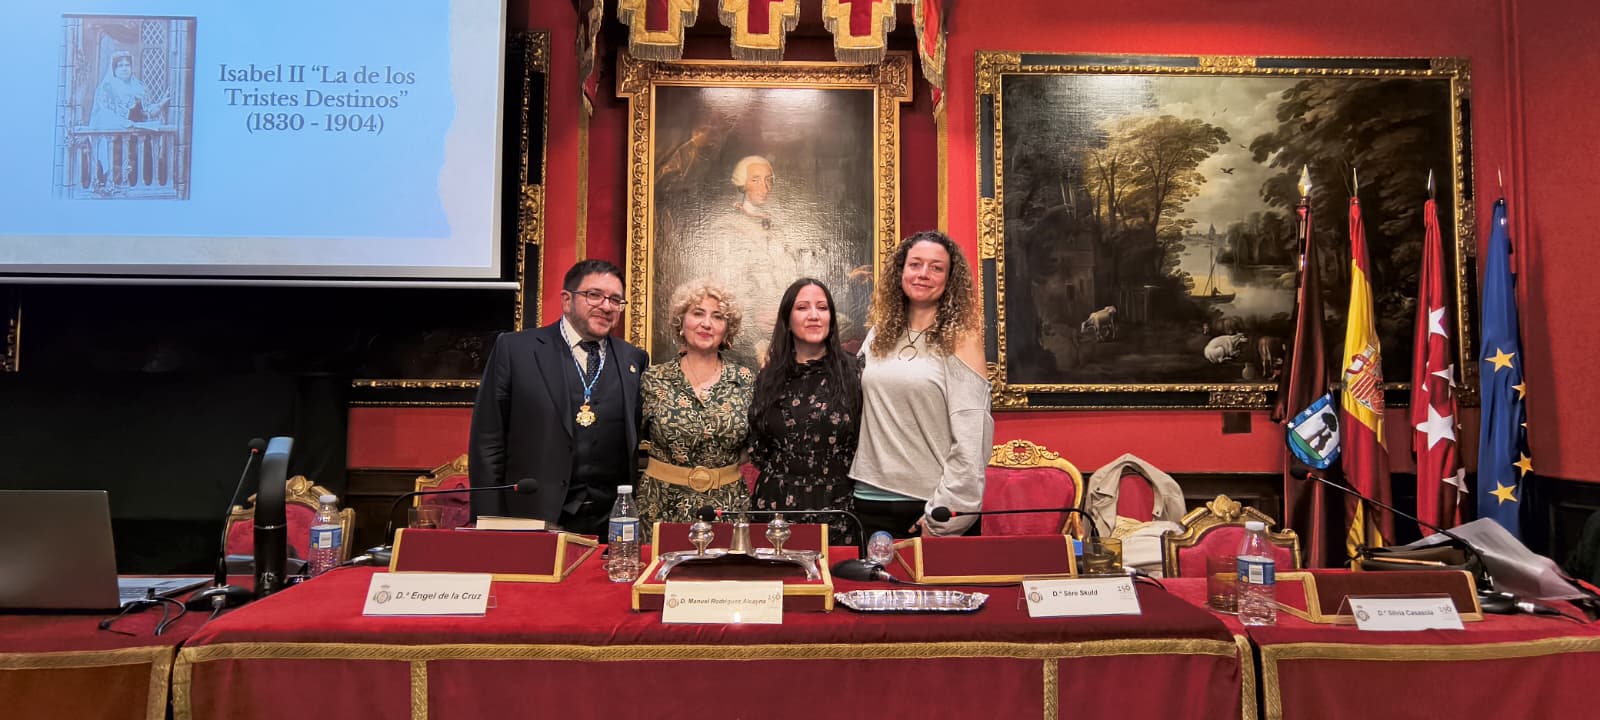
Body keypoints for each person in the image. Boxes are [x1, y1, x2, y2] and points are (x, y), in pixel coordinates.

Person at [469, 259, 649, 535]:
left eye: (616, 300)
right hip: (533, 516)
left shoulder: (633, 359)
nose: (606, 306)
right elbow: (488, 443)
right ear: (567, 300)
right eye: (594, 295)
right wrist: (490, 522)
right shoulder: (516, 350)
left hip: (609, 521)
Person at [850, 230, 994, 538]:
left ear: (949, 278)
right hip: (868, 500)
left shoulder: (962, 340)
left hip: (930, 506)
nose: (923, 274)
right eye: (915, 264)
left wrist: (945, 518)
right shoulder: (878, 335)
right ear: (901, 271)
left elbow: (973, 439)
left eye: (936, 267)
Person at [748, 279, 863, 546]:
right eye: (802, 307)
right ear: (787, 321)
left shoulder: (856, 373)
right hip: (775, 506)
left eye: (822, 308)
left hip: (839, 507)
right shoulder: (767, 378)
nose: (813, 315)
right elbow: (757, 446)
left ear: (831, 319)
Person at [637, 283, 756, 532]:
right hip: (660, 505)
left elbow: (753, 445)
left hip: (727, 506)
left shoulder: (746, 380)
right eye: (698, 313)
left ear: (727, 330)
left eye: (717, 316)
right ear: (681, 322)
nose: (706, 323)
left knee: (725, 571)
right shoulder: (652, 378)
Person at [88, 51, 168, 195]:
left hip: (138, 139)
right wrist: (125, 123)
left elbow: (146, 113)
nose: (125, 68)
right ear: (114, 69)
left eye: (127, 65)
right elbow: (105, 114)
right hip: (116, 139)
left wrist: (161, 104)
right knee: (118, 175)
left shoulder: (139, 87)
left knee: (141, 172)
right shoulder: (107, 88)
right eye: (120, 66)